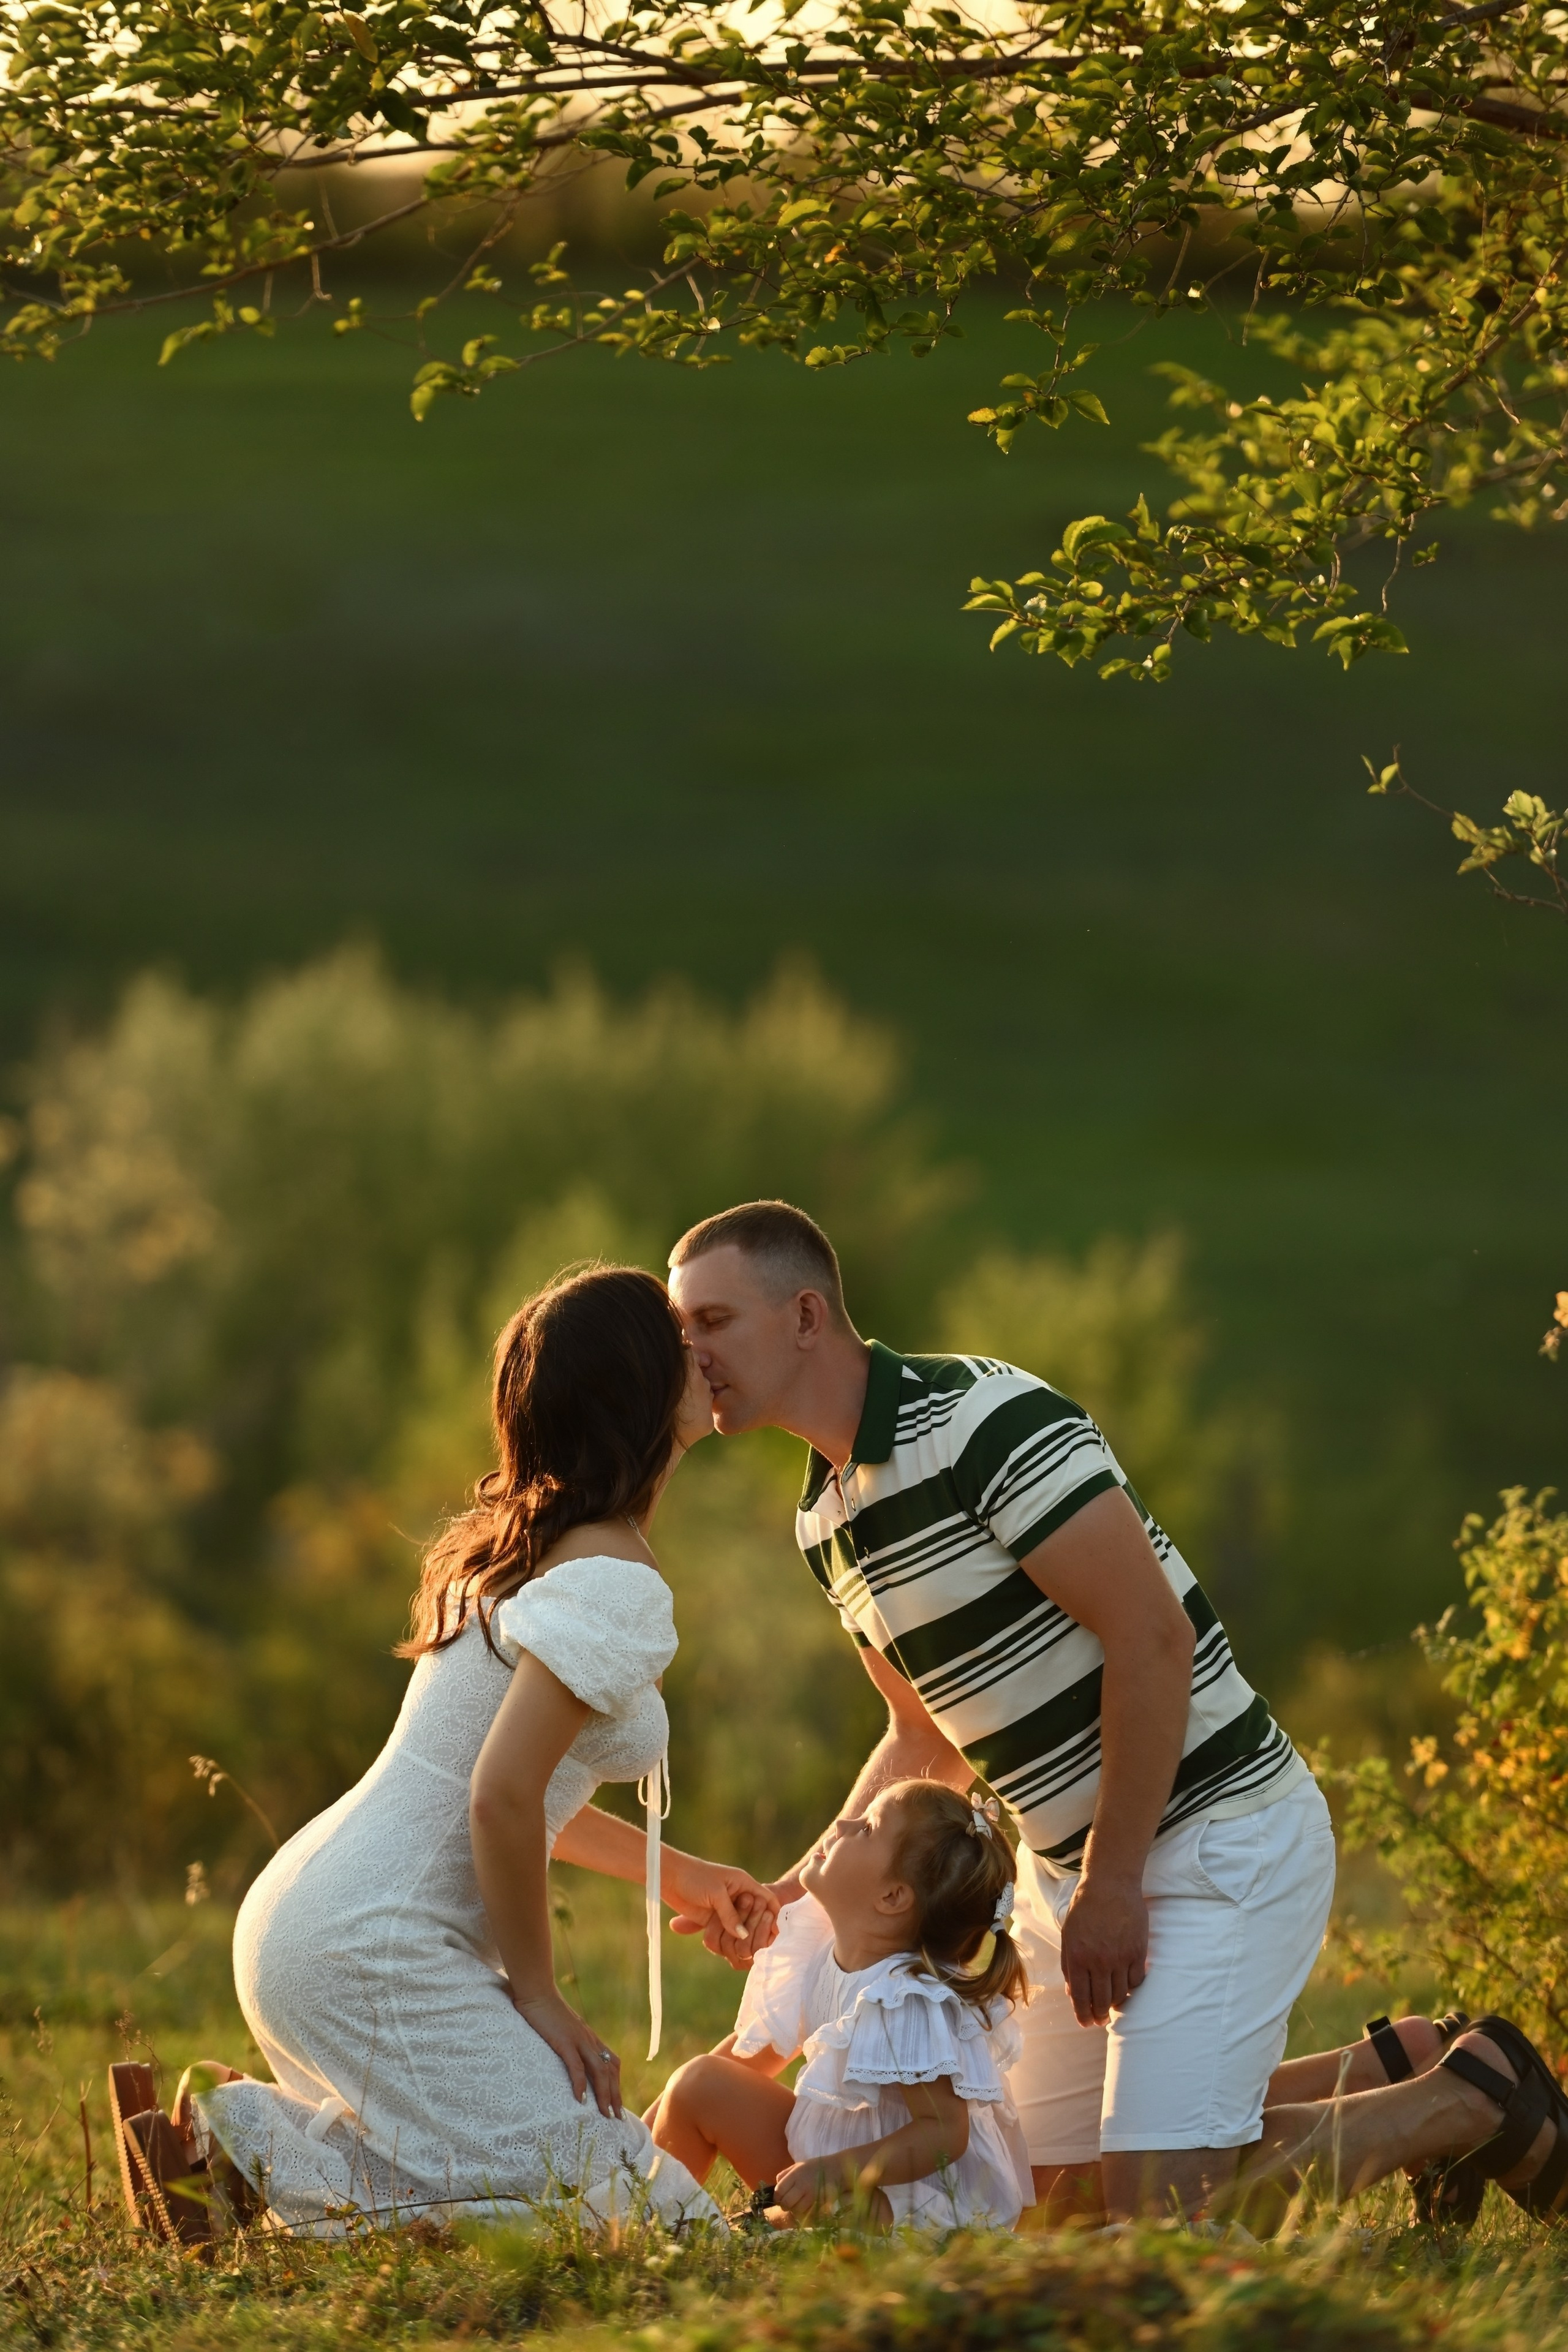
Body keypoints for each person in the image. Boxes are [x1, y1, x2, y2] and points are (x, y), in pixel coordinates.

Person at [665, 1200, 1568, 2230]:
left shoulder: (983, 1422)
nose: (688, 1351)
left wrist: (1115, 1882)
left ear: (807, 1317)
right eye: (678, 1327)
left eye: (711, 1321)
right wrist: (790, 1896)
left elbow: (1153, 1639)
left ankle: (1469, 2098)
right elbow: (920, 1734)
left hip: (1214, 1838)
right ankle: (1400, 2064)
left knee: (1155, 2218)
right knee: (1055, 2212)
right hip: (1071, 1875)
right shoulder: (824, 1517)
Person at [115, 1265, 779, 2239]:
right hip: (375, 1946)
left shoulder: (533, 1548)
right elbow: (496, 1798)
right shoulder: (613, 1576)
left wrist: (675, 1874)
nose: (703, 1355)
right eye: (680, 1341)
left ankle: (236, 2148)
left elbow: (510, 1786)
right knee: (627, 2210)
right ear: (634, 1385)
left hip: (316, 1918)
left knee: (508, 2177)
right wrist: (538, 1998)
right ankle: (245, 2140)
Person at [648, 1779, 1034, 2233]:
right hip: (830, 2167)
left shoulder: (907, 1999)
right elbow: (751, 2060)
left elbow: (943, 2133)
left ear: (892, 1897)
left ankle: (776, 2225)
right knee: (698, 2083)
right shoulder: (821, 1949)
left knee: (847, 2215)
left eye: (867, 1828)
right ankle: (645, 2220)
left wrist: (834, 2173)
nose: (845, 1823)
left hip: (922, 2198)